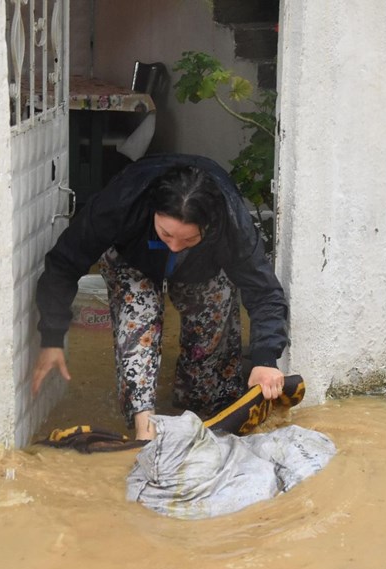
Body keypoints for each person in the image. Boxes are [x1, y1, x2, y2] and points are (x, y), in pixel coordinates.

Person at [31, 154, 289, 440]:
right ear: (152, 210)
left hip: (203, 268)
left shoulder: (230, 222)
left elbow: (263, 290)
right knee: (137, 314)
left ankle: (200, 402)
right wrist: (52, 337)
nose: (176, 246)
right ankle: (145, 430)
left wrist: (265, 359)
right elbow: (63, 265)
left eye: (188, 239)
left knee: (213, 325)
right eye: (167, 234)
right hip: (132, 259)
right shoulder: (119, 203)